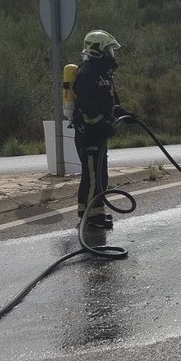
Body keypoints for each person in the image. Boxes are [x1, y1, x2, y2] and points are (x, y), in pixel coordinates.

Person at [72, 29, 126, 229]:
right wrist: (103, 123)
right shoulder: (87, 73)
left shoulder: (102, 73)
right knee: (93, 176)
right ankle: (89, 217)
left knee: (100, 175)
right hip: (89, 134)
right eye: (108, 50)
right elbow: (87, 106)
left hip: (98, 133)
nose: (111, 55)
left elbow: (106, 102)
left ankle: (97, 212)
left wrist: (122, 114)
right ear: (97, 50)